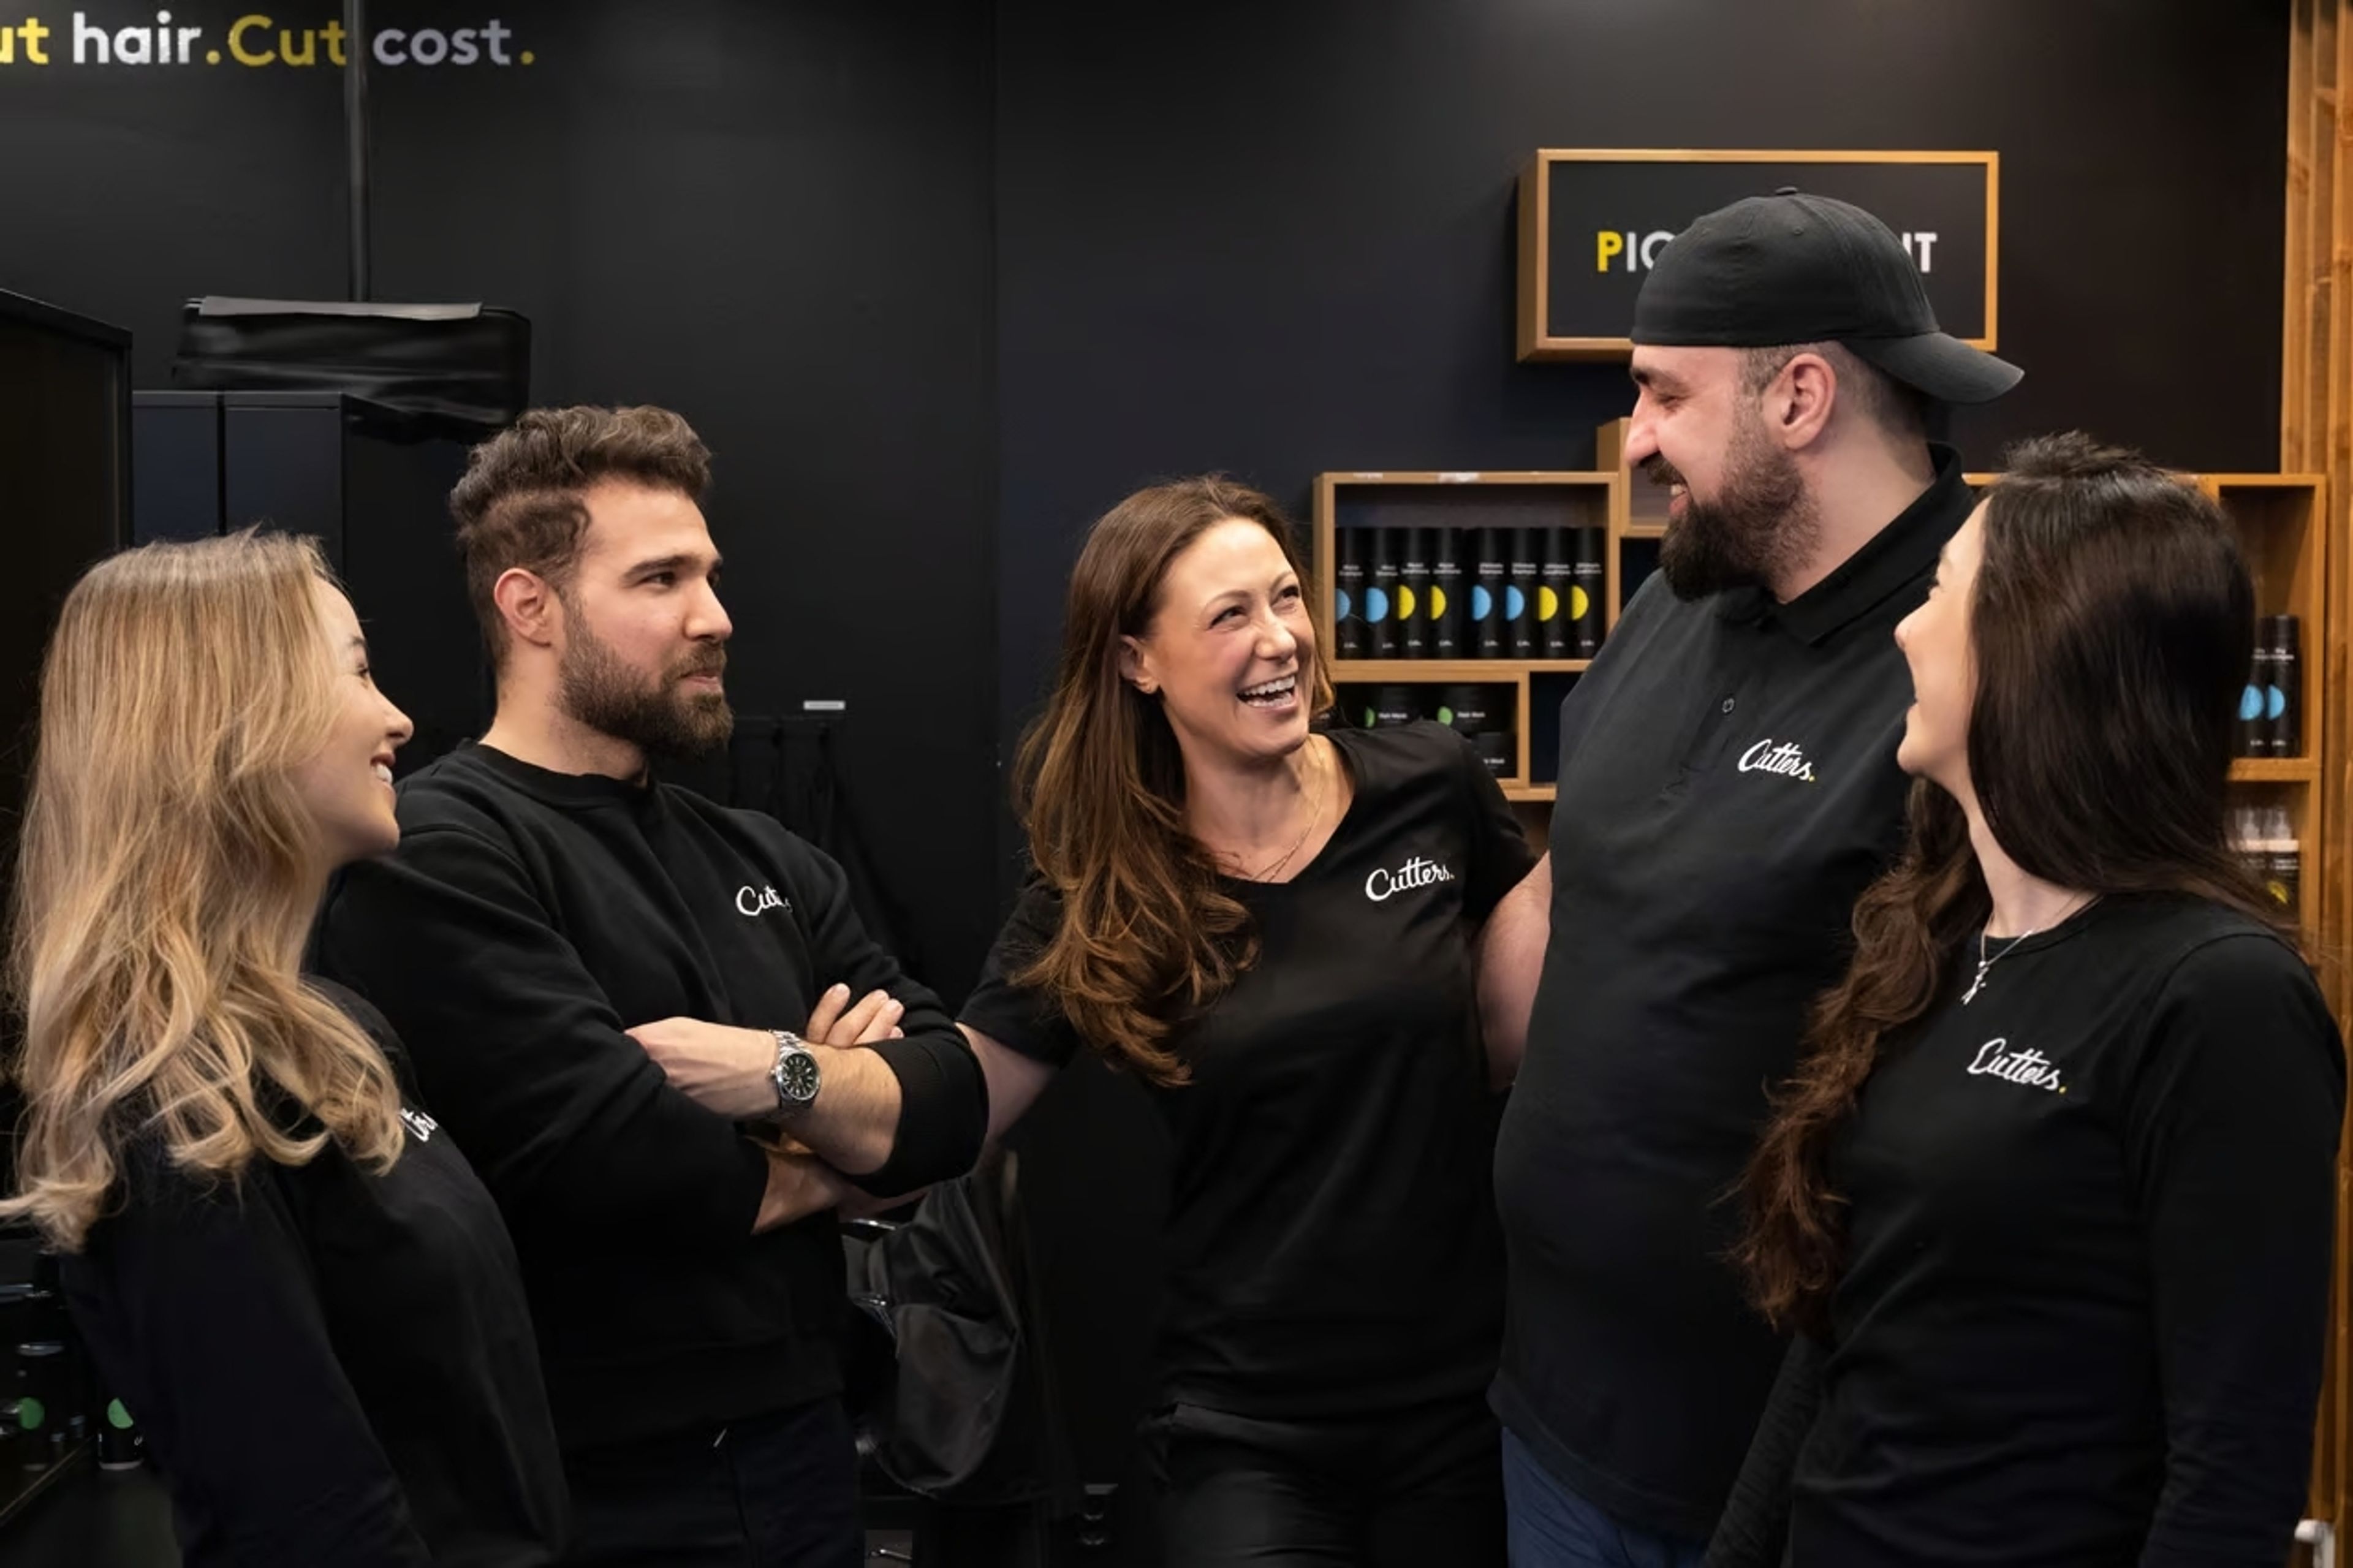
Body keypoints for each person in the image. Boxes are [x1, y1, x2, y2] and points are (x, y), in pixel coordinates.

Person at [314, 406, 988, 1567]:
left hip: (807, 1454)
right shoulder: (440, 849)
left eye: (710, 576)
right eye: (662, 579)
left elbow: (953, 1104)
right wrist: (845, 1137)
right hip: (602, 1486)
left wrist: (774, 1073)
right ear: (530, 607)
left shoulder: (765, 856)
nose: (714, 617)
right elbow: (625, 1161)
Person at [1476, 191, 2025, 1565]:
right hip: (1554, 1416)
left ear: (1799, 396)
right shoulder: (1675, 596)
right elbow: (1579, 888)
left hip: (1780, 1476)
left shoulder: (1973, 660)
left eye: (1664, 394)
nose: (1635, 435)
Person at [1707, 434, 2344, 1567]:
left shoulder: (2220, 998)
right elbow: (1843, 1332)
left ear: (2037, 648)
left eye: (1939, 594)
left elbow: (2233, 1467)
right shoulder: (1938, 934)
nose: (1904, 631)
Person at [953, 476, 1533, 1566]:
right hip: (1244, 1427)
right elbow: (961, 1098)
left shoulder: (1433, 782)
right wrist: (803, 1086)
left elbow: (1519, 1028)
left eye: (1287, 598)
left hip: (1463, 1408)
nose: (1280, 640)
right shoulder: (1106, 886)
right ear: (1138, 661)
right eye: (1230, 615)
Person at [1, 531, 567, 1565]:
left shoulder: (336, 1033)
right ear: (231, 721)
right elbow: (314, 1528)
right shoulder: (181, 1118)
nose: (399, 717)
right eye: (357, 670)